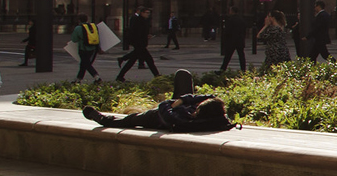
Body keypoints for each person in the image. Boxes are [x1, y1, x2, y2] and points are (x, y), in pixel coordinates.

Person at [83, 89, 234, 133]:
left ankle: (103, 119)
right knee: (132, 118)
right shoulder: (215, 114)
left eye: (197, 110)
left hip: (156, 118)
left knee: (130, 120)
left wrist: (170, 104)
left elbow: (165, 112)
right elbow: (210, 97)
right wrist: (183, 100)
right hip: (170, 111)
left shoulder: (183, 121)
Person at [115, 7, 161, 80]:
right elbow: (137, 32)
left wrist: (146, 35)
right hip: (139, 43)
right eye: (147, 13)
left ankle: (120, 74)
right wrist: (145, 36)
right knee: (149, 60)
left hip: (140, 43)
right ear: (142, 13)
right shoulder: (138, 20)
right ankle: (157, 75)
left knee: (132, 60)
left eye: (149, 13)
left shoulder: (143, 20)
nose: (148, 14)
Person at [72, 14, 103, 81]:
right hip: (92, 48)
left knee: (86, 64)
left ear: (79, 20)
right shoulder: (93, 26)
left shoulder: (78, 28)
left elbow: (74, 39)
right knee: (84, 63)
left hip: (83, 48)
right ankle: (78, 79)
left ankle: (97, 77)